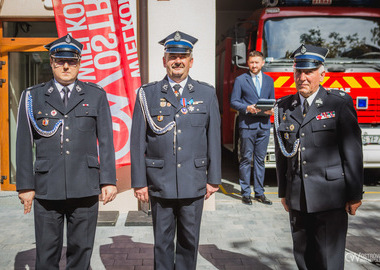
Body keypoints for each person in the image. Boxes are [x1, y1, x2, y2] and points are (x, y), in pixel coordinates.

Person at [16, 34, 117, 269]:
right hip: (46, 189)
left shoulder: (95, 95)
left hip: (85, 186)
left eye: (71, 61)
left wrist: (108, 181)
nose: (65, 66)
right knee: (46, 253)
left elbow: (106, 141)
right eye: (60, 61)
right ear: (51, 62)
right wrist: (25, 186)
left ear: (79, 63)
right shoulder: (32, 97)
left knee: (81, 252)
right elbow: (23, 143)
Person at [131, 30, 221, 270]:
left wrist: (214, 179)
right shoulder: (147, 94)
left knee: (189, 242)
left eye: (183, 56)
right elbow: (137, 141)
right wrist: (139, 182)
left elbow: (213, 137)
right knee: (162, 242)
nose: (177, 61)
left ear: (191, 61)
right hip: (160, 181)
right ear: (164, 60)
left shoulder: (206, 93)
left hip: (193, 181)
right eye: (172, 56)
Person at [274, 44, 363, 269]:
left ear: (322, 74)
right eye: (298, 72)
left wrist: (354, 194)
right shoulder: (284, 107)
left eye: (309, 72)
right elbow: (282, 155)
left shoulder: (338, 103)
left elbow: (352, 152)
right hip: (297, 196)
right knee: (303, 258)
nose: (302, 77)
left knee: (329, 261)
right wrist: (283, 191)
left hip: (330, 197)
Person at [230, 50, 275, 205]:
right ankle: (245, 193)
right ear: (248, 63)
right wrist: (247, 108)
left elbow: (271, 101)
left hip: (264, 125)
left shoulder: (269, 81)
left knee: (260, 160)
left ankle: (260, 193)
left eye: (257, 62)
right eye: (251, 62)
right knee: (245, 159)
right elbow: (234, 101)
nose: (254, 65)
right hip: (247, 125)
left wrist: (271, 110)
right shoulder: (240, 80)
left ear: (262, 63)